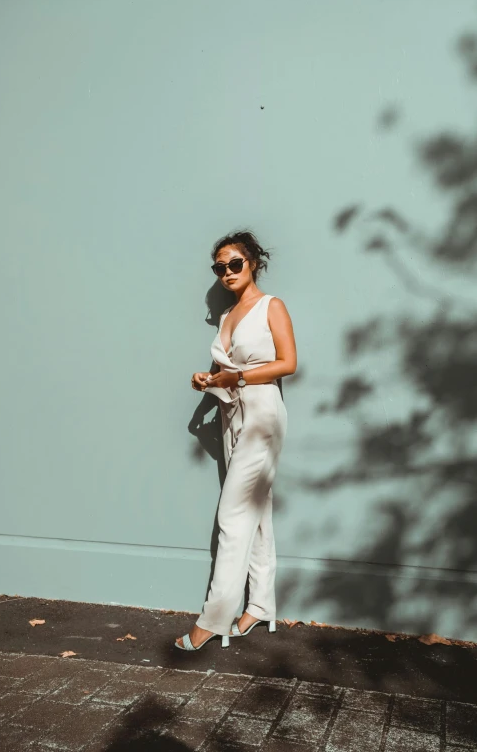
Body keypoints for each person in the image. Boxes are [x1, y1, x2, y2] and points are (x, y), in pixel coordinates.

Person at [175, 230, 297, 651]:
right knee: (256, 514)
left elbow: (289, 363)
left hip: (262, 413)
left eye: (234, 264)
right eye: (219, 267)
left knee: (233, 514)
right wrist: (205, 379)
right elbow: (221, 371)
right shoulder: (227, 317)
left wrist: (240, 376)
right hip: (231, 414)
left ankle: (214, 620)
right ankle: (260, 606)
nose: (226, 272)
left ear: (253, 264)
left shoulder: (271, 306)